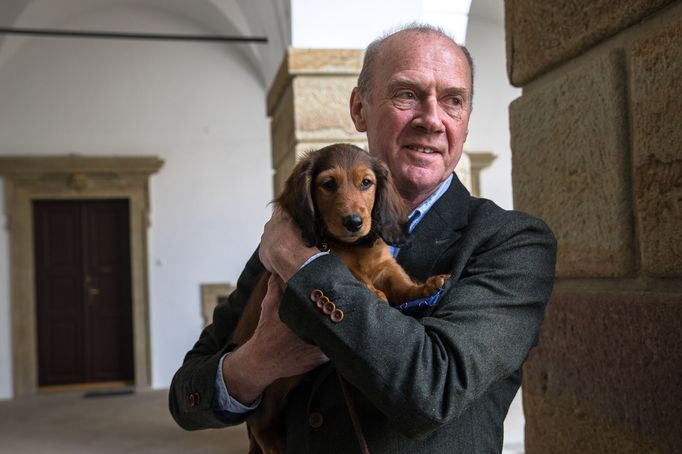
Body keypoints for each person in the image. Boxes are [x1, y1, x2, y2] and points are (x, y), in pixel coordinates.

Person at [169, 23, 557, 453]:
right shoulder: (292, 236)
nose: (431, 119)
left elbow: (430, 392)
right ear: (359, 108)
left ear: (465, 124)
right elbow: (187, 396)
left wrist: (306, 268)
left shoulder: (513, 242)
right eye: (407, 94)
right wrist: (253, 364)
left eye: (453, 101)